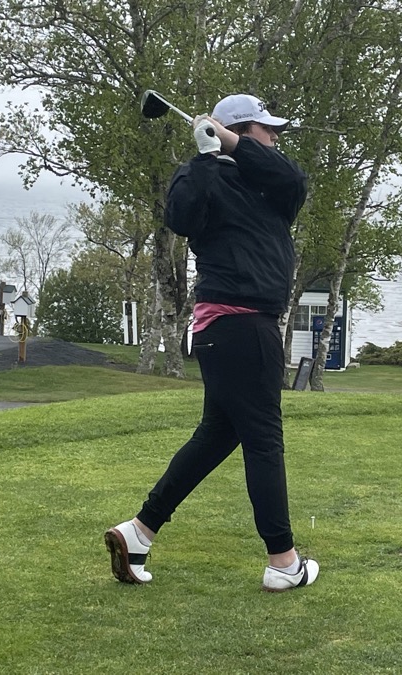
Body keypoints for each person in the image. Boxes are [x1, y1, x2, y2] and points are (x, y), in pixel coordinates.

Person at [105, 93, 318, 592]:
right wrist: (205, 157)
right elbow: (181, 218)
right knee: (263, 439)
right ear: (242, 130)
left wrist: (229, 143)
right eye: (267, 129)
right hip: (239, 325)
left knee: (218, 435)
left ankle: (139, 532)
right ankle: (283, 561)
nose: (275, 137)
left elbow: (295, 180)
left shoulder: (273, 185)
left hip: (233, 329)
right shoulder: (201, 175)